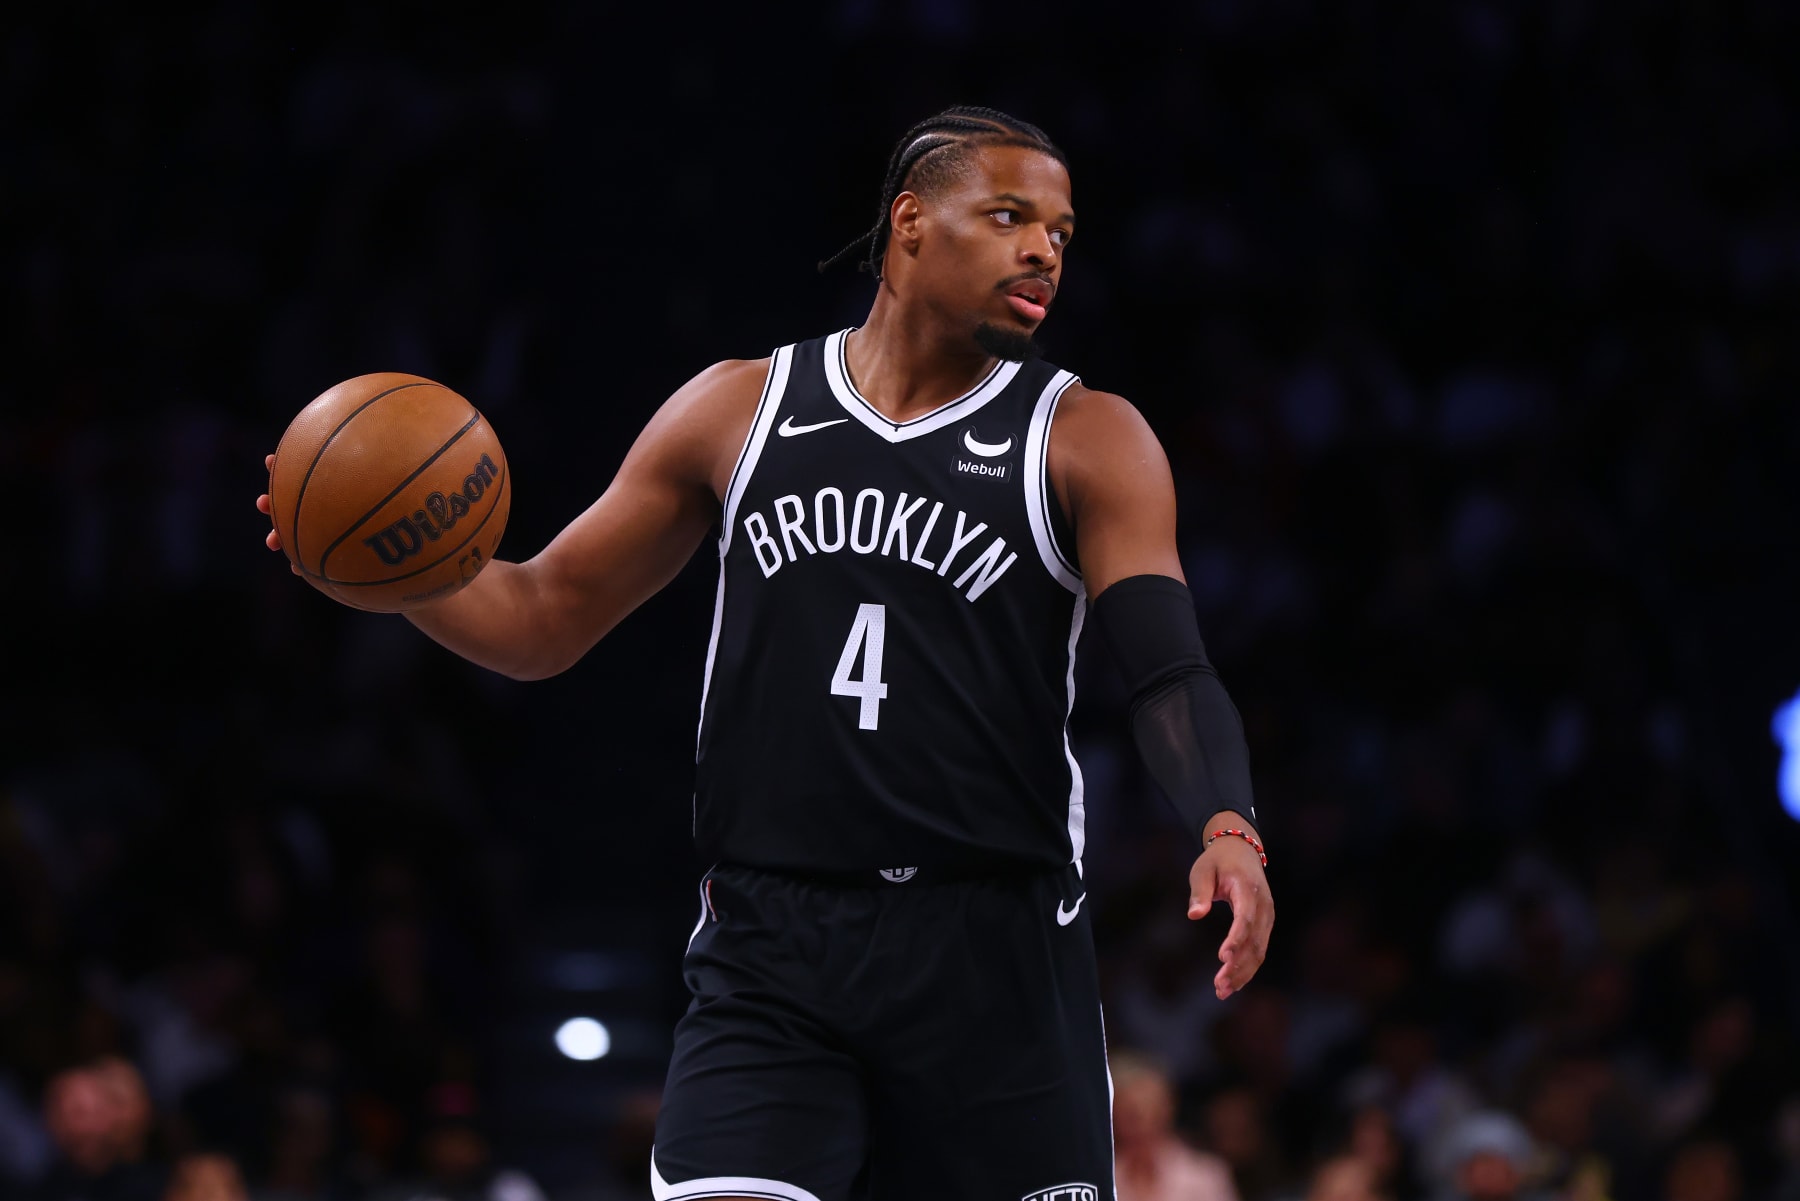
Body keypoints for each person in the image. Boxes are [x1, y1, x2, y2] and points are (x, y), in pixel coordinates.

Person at [258, 105, 1276, 1201]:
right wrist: (399, 571)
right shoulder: (737, 408)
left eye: (1063, 234)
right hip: (776, 941)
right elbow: (543, 615)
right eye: (1010, 215)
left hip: (996, 950)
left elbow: (1168, 670)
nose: (1044, 250)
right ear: (911, 225)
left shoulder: (1087, 436)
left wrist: (1227, 823)